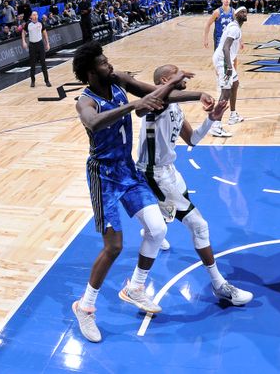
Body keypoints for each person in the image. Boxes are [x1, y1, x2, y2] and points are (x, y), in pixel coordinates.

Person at [70, 41, 215, 343]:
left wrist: (193, 92)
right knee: (113, 247)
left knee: (158, 229)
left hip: (128, 170)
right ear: (88, 72)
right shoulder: (86, 101)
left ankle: (135, 288)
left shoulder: (118, 79)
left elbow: (159, 95)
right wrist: (132, 106)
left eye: (106, 59)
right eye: (101, 62)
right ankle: (85, 307)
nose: (107, 64)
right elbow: (94, 123)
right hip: (104, 176)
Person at [136, 64, 254, 306]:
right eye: (178, 74)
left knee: (174, 213)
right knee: (199, 226)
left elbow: (192, 139)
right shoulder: (156, 103)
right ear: (166, 80)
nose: (184, 78)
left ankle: (153, 222)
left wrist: (211, 119)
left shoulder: (175, 107)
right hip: (154, 173)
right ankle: (220, 285)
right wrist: (199, 94)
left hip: (169, 170)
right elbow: (165, 95)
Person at [210, 6, 248, 138]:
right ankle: (215, 126)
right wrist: (229, 66)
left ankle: (233, 115)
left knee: (235, 84)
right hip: (223, 60)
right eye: (242, 12)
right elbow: (226, 48)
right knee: (225, 91)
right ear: (235, 15)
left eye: (246, 12)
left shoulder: (235, 27)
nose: (245, 13)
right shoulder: (234, 29)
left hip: (226, 60)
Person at [21, 11, 51, 88]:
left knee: (43, 63)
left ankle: (47, 80)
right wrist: (24, 41)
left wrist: (47, 43)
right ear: (31, 16)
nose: (35, 16)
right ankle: (33, 81)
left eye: (36, 15)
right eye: (34, 15)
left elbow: (45, 33)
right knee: (32, 64)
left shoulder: (40, 23)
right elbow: (23, 32)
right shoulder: (28, 24)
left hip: (40, 44)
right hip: (32, 45)